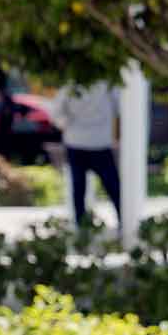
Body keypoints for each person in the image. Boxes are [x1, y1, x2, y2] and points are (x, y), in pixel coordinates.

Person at [52, 78, 120, 229]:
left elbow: (56, 114)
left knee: (80, 189)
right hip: (95, 143)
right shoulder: (107, 83)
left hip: (81, 143)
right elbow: (119, 107)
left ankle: (81, 228)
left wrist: (68, 124)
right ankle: (121, 222)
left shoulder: (70, 83)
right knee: (112, 188)